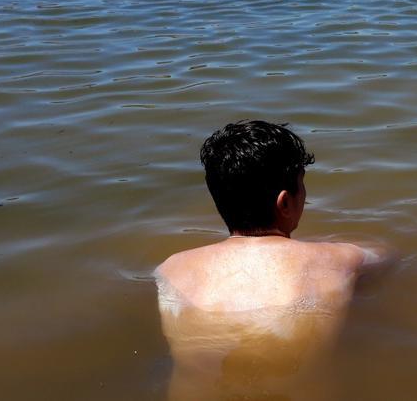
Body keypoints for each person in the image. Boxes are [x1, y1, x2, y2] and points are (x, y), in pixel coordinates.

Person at [155, 120, 389, 399]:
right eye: (302, 186)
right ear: (285, 203)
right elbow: (387, 256)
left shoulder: (170, 269)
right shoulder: (341, 259)